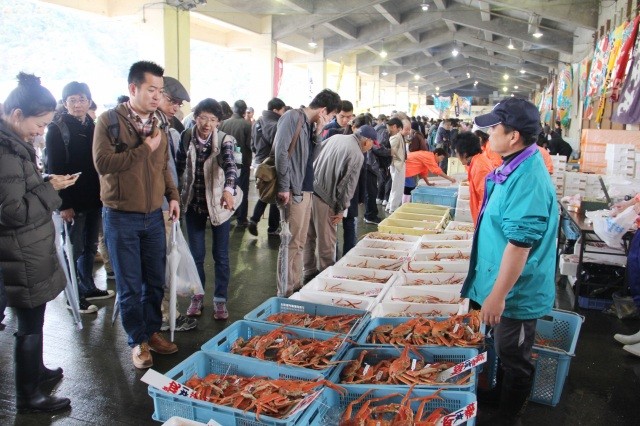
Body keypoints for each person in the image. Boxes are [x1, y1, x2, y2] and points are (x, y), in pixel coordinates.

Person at [462, 98, 558, 425]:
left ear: (513, 135)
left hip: (517, 290)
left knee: (515, 354)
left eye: (494, 127)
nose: (488, 133)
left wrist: (497, 295)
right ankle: (498, 395)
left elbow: (519, 245)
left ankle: (509, 416)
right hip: (501, 280)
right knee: (502, 347)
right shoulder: (513, 163)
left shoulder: (528, 177)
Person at [93, 61, 180, 369]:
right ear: (133, 89)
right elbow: (103, 163)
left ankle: (152, 330)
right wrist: (145, 148)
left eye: (160, 91)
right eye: (151, 90)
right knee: (130, 285)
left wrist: (172, 196)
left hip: (153, 216)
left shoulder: (159, 125)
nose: (157, 97)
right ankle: (138, 341)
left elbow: (163, 166)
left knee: (156, 281)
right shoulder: (109, 121)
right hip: (120, 216)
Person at [1, 72, 78, 412]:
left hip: (28, 246)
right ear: (17, 115)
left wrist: (45, 179)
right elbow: (13, 211)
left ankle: (37, 370)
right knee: (28, 323)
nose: (41, 132)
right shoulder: (5, 152)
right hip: (18, 248)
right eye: (40, 125)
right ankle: (29, 395)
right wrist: (52, 190)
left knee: (36, 317)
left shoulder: (15, 145)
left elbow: (18, 190)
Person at [45, 81, 113, 315]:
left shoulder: (92, 124)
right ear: (65, 103)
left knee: (89, 245)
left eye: (82, 99)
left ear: (88, 101)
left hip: (93, 198)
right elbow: (54, 168)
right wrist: (64, 205)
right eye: (72, 100)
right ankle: (72, 295)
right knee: (73, 248)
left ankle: (88, 286)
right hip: (72, 201)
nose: (77, 104)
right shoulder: (57, 128)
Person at [176, 98, 239, 321]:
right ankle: (198, 296)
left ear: (218, 122)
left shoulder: (224, 140)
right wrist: (175, 197)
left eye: (213, 119)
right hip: (193, 205)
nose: (207, 123)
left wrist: (228, 190)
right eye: (203, 117)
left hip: (219, 206)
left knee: (221, 256)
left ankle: (220, 300)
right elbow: (178, 168)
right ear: (195, 117)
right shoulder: (185, 137)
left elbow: (231, 166)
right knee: (196, 256)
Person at [274, 89, 341, 297]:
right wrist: (284, 186)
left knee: (300, 242)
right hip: (293, 190)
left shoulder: (309, 124)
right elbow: (281, 152)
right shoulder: (292, 117)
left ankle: (295, 285)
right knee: (290, 243)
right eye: (331, 115)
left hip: (306, 189)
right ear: (323, 110)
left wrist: (318, 133)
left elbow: (311, 158)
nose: (330, 120)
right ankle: (284, 290)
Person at [303, 125, 375, 275]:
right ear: (367, 141)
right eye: (373, 143)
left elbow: (315, 153)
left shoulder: (336, 137)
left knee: (308, 235)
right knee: (327, 240)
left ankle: (308, 270)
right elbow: (347, 185)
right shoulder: (357, 154)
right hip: (324, 197)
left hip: (309, 189)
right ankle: (326, 274)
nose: (371, 147)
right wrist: (341, 209)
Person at [156, 76, 197, 333]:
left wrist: (174, 198)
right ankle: (164, 315)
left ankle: (168, 312)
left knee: (168, 261)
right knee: (163, 263)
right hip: (156, 207)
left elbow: (170, 168)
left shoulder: (167, 126)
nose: (175, 108)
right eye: (172, 101)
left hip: (166, 203)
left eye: (178, 103)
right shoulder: (150, 126)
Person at [248, 97, 286, 237]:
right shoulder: (275, 124)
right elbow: (277, 145)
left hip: (259, 162)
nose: (283, 114)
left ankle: (254, 219)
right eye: (282, 111)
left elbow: (252, 144)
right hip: (270, 164)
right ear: (276, 110)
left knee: (265, 194)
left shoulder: (257, 122)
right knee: (275, 195)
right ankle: (272, 228)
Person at [220, 100, 252, 227]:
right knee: (242, 189)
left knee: (228, 186)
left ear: (233, 109)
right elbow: (250, 145)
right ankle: (242, 218)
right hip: (242, 163)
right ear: (244, 111)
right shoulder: (246, 125)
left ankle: (228, 212)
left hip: (225, 161)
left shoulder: (224, 123)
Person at [455, 132, 495, 225]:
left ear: (464, 154)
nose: (456, 156)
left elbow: (485, 199)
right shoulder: (477, 161)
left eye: (456, 152)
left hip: (485, 221)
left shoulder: (480, 167)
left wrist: (482, 226)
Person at [386, 117, 406, 213]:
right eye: (400, 129)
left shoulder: (394, 136)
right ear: (395, 127)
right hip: (397, 165)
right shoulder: (396, 137)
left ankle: (390, 206)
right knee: (398, 188)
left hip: (396, 164)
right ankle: (393, 208)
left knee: (395, 187)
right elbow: (391, 152)